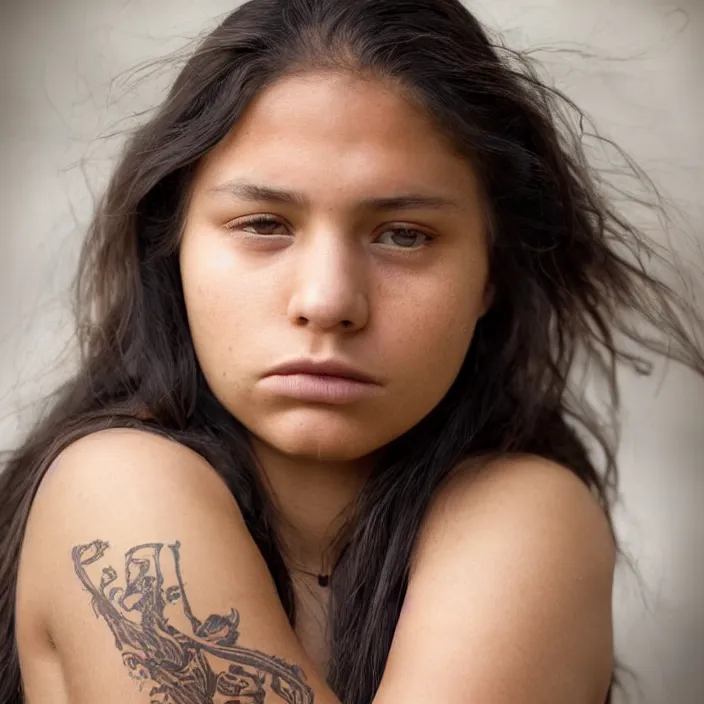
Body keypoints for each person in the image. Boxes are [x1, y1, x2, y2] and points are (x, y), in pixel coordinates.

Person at [0, 0, 701, 702]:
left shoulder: (529, 517)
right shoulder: (117, 494)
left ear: (492, 271)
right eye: (265, 224)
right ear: (173, 244)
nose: (329, 301)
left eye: (403, 235)